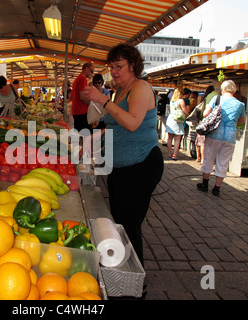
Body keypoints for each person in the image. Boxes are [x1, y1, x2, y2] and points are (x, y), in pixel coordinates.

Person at [82, 43, 164, 266]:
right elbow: (115, 125)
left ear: (133, 65)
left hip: (141, 165)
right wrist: (92, 138)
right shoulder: (119, 92)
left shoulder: (140, 87)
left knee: (129, 223)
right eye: (112, 66)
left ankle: (136, 281)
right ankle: (122, 268)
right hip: (120, 167)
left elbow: (131, 123)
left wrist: (103, 100)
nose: (114, 71)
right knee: (118, 220)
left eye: (119, 66)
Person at [197, 80, 245, 196]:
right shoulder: (240, 104)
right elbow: (242, 121)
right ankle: (217, 188)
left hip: (214, 133)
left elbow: (205, 114)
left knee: (209, 158)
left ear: (223, 89)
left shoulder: (217, 99)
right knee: (223, 162)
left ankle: (205, 184)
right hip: (230, 136)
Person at [165, 87, 189, 160]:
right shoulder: (181, 101)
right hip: (178, 121)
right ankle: (174, 155)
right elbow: (186, 112)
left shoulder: (172, 101)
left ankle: (169, 153)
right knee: (177, 139)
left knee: (169, 138)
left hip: (170, 119)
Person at [72, 62, 95, 132]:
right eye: (92, 71)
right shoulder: (82, 79)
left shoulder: (77, 79)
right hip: (81, 112)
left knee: (80, 135)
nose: (92, 74)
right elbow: (83, 97)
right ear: (87, 69)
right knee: (87, 136)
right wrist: (92, 103)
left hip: (77, 111)